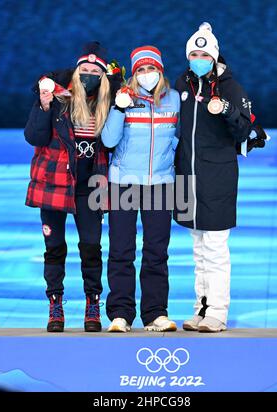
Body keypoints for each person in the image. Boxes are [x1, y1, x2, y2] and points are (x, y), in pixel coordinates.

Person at [24, 42, 122, 333]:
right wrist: (43, 105)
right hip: (54, 183)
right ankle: (55, 304)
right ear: (75, 71)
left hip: (90, 186)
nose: (88, 74)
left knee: (91, 248)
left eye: (95, 71)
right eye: (84, 69)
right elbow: (34, 136)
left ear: (103, 76)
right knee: (54, 248)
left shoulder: (109, 102)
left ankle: (93, 304)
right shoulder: (56, 100)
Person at [174, 23, 254, 332]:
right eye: (193, 53)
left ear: (214, 56)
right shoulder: (183, 83)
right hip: (188, 177)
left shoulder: (230, 87)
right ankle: (201, 308)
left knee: (216, 248)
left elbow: (246, 129)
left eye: (204, 54)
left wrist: (227, 111)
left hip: (217, 177)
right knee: (198, 250)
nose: (198, 58)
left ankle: (218, 311)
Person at [101, 46, 180, 332]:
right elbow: (109, 141)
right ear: (134, 75)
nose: (147, 75)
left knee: (156, 252)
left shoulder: (174, 100)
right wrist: (119, 108)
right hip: (123, 182)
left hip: (162, 183)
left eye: (151, 69)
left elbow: (183, 137)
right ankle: (120, 314)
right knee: (121, 249)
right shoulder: (124, 98)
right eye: (141, 71)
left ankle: (155, 313)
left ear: (160, 70)